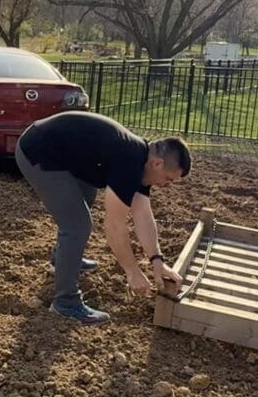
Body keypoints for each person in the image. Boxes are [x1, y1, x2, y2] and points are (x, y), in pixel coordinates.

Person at [15, 111, 191, 325]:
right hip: (38, 151)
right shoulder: (129, 162)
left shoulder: (139, 160)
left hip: (65, 154)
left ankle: (62, 260)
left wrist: (157, 261)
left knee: (83, 202)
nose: (165, 185)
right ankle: (66, 302)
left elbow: (143, 215)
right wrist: (132, 272)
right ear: (157, 164)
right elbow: (115, 226)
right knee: (78, 225)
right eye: (168, 179)